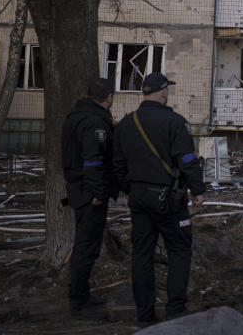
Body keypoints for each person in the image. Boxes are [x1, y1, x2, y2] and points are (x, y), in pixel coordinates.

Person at [113, 72, 205, 325]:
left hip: (138, 198)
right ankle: (175, 310)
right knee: (179, 250)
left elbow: (117, 163)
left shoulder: (126, 123)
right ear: (164, 92)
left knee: (141, 254)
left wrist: (129, 188)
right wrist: (198, 190)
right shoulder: (174, 122)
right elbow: (187, 160)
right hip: (169, 199)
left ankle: (145, 315)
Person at [61, 77, 118, 317]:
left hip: (80, 189)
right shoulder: (94, 122)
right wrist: (98, 193)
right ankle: (79, 301)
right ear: (109, 97)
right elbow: (93, 160)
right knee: (86, 247)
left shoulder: (76, 117)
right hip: (89, 193)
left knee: (86, 246)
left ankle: (81, 294)